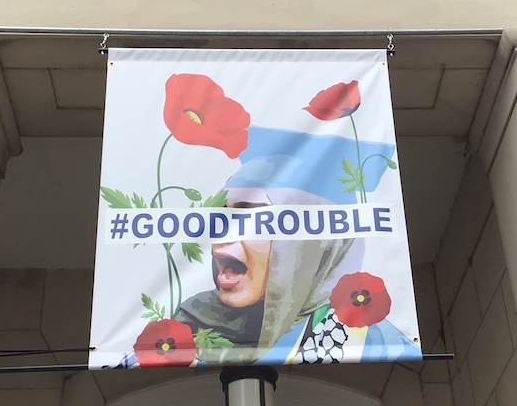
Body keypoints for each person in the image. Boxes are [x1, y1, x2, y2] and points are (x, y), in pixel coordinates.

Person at [174, 126, 420, 365]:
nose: (223, 238)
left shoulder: (373, 342)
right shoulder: (189, 321)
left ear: (312, 247)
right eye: (222, 219)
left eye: (252, 220)